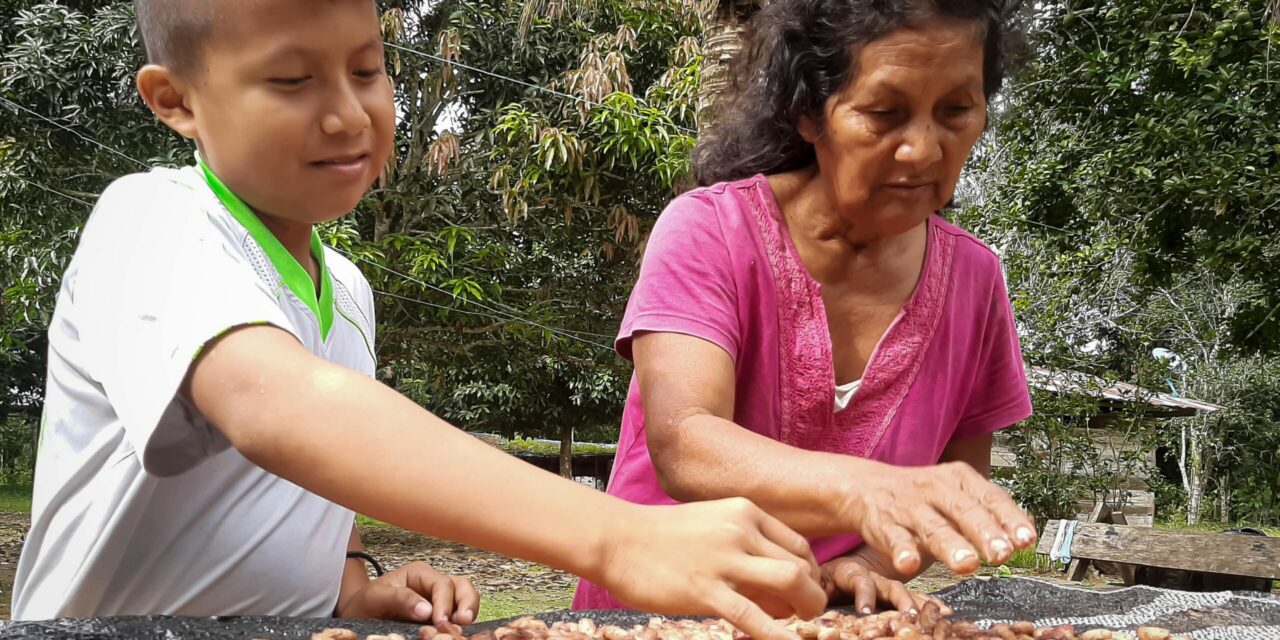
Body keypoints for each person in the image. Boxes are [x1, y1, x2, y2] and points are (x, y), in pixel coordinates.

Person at [11, 2, 828, 636]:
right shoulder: (150, 220)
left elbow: (294, 484)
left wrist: (354, 583)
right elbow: (276, 407)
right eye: (292, 82)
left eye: (367, 71)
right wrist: (621, 537)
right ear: (176, 101)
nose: (346, 116)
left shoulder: (348, 291)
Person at [574, 0, 1036, 616]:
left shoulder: (975, 280)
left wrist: (868, 564)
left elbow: (957, 481)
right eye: (883, 114)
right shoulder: (710, 230)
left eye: (955, 110)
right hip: (653, 615)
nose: (924, 151)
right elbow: (686, 441)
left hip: (830, 623)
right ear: (808, 113)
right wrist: (868, 489)